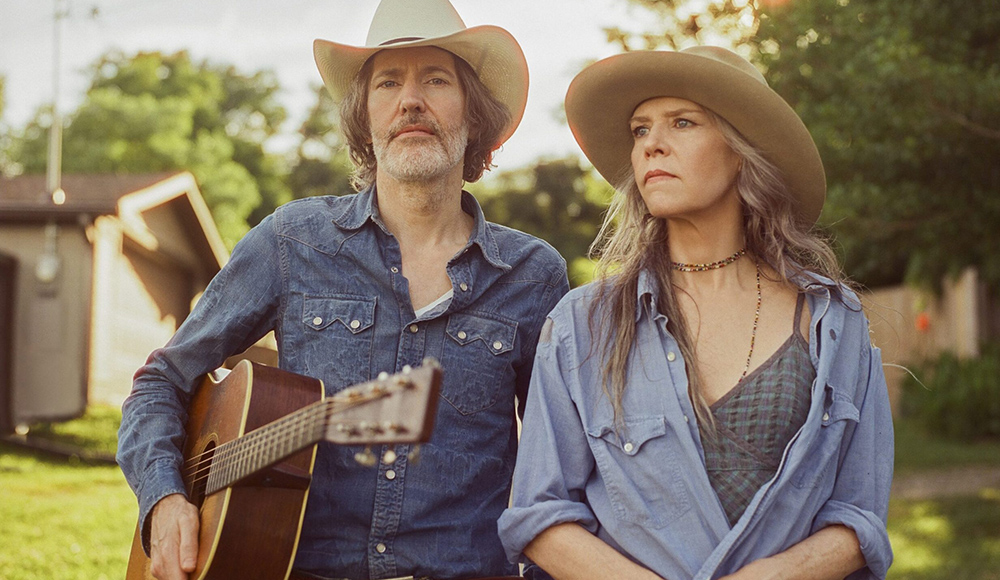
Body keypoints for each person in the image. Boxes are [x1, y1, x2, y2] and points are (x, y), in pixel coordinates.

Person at [116, 0, 569, 578]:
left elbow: (559, 466)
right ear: (365, 117)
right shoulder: (292, 241)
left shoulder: (533, 275)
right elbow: (161, 380)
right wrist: (165, 498)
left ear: (474, 115)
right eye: (387, 81)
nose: (411, 100)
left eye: (435, 79)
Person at [498, 46, 894, 580]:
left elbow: (860, 515)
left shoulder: (832, 320)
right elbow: (539, 515)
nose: (652, 145)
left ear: (741, 152)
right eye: (640, 130)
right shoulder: (581, 325)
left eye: (682, 123)